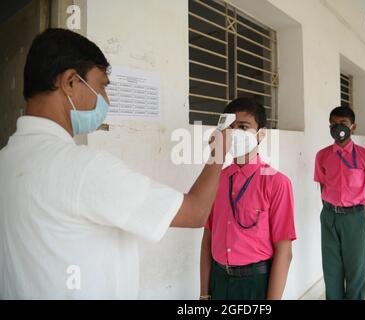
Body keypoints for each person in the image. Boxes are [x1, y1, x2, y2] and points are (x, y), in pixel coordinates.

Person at [0, 28, 231, 299]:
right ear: (70, 82)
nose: (105, 100)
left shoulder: (7, 158)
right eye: (102, 86)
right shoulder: (84, 168)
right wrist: (219, 153)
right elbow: (195, 212)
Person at [199, 98, 297, 300]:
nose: (234, 134)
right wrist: (204, 294)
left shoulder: (277, 182)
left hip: (255, 284)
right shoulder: (215, 178)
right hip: (219, 280)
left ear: (261, 134)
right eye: (230, 127)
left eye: (243, 127)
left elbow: (284, 252)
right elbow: (207, 238)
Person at [314, 106, 365, 300]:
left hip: (355, 217)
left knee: (356, 269)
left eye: (343, 123)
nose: (338, 127)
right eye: (333, 124)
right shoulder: (323, 155)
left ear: (353, 126)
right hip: (329, 216)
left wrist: (361, 213)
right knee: (331, 268)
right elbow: (322, 186)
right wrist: (330, 208)